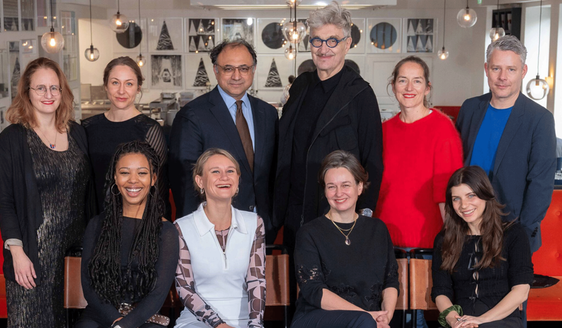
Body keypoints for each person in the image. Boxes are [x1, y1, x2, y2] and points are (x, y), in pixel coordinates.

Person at [455, 35, 555, 328]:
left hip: (513, 232)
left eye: (511, 69)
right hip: (467, 230)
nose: (502, 76)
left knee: (510, 311)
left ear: (523, 72)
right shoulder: (470, 108)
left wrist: (520, 237)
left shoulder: (539, 119)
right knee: (468, 302)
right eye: (496, 67)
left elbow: (541, 183)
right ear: (486, 69)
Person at [0, 57, 93, 328]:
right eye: (40, 88)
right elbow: (5, 201)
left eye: (54, 87)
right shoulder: (12, 140)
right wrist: (16, 251)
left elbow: (87, 192)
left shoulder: (77, 132)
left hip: (74, 255)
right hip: (32, 258)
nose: (48, 94)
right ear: (27, 92)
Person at [375, 56, 463, 328]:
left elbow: (448, 193)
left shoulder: (442, 128)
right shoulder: (383, 131)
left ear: (428, 87)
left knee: (420, 318)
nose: (409, 88)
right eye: (402, 80)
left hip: (427, 241)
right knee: (391, 318)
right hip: (387, 242)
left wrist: (453, 245)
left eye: (417, 81)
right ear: (393, 86)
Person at [68, 141, 178, 328]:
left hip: (147, 321)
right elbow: (89, 286)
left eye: (142, 172)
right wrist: (117, 324)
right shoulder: (97, 225)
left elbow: (156, 297)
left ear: (153, 179)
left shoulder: (166, 232)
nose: (133, 180)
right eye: (124, 172)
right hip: (98, 315)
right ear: (114, 178)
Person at [273, 1, 383, 254]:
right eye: (317, 41)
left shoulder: (361, 94)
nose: (324, 49)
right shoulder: (301, 85)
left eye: (332, 41)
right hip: (295, 209)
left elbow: (372, 160)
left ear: (346, 44)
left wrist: (364, 214)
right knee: (296, 284)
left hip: (337, 212)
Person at [172, 148, 280, 328]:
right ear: (200, 181)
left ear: (238, 180)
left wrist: (255, 327)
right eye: (215, 172)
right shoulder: (181, 228)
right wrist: (218, 325)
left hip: (248, 322)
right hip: (197, 324)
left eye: (230, 171)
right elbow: (185, 289)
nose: (224, 177)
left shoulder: (254, 223)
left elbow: (257, 280)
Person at [290, 150, 398, 328]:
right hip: (315, 323)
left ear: (360, 187)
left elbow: (390, 280)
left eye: (346, 185)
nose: (339, 193)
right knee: (361, 327)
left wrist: (384, 316)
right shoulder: (310, 233)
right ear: (324, 190)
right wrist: (368, 318)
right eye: (331, 186)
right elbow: (313, 291)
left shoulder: (377, 229)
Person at [430, 166, 533, 328]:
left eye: (470, 196)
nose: (464, 205)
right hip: (462, 325)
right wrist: (454, 319)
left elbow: (521, 290)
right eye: (456, 199)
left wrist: (481, 319)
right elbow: (441, 291)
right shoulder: (445, 240)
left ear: (486, 194)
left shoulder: (514, 234)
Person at [169, 40, 278, 241]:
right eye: (228, 68)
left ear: (253, 70)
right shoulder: (192, 116)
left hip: (261, 228)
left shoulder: (268, 114)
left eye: (243, 68)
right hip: (214, 230)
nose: (237, 76)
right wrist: (191, 235)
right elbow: (185, 183)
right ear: (215, 70)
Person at [83, 56, 169, 216]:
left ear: (138, 88)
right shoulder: (87, 127)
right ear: (106, 86)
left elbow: (159, 188)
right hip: (95, 221)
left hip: (137, 224)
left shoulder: (150, 130)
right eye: (115, 82)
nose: (121, 91)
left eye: (129, 83)